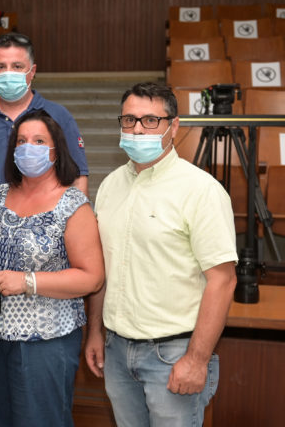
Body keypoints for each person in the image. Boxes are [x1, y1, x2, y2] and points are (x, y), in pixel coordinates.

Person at [85, 82, 238, 426]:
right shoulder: (110, 186)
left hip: (173, 354)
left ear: (174, 126)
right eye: (129, 120)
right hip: (117, 350)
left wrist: (197, 360)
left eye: (150, 120)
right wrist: (95, 332)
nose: (138, 129)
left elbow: (223, 280)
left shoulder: (201, 190)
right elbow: (103, 269)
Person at [0, 109, 104, 427]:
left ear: (55, 150)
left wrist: (28, 281)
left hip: (46, 342)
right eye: (21, 141)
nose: (28, 148)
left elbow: (92, 277)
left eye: (38, 141)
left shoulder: (72, 204)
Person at [0, 32, 89, 196]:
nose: (8, 73)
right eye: (1, 67)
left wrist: (78, 211)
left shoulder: (58, 116)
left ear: (32, 71)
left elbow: (78, 178)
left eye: (17, 66)